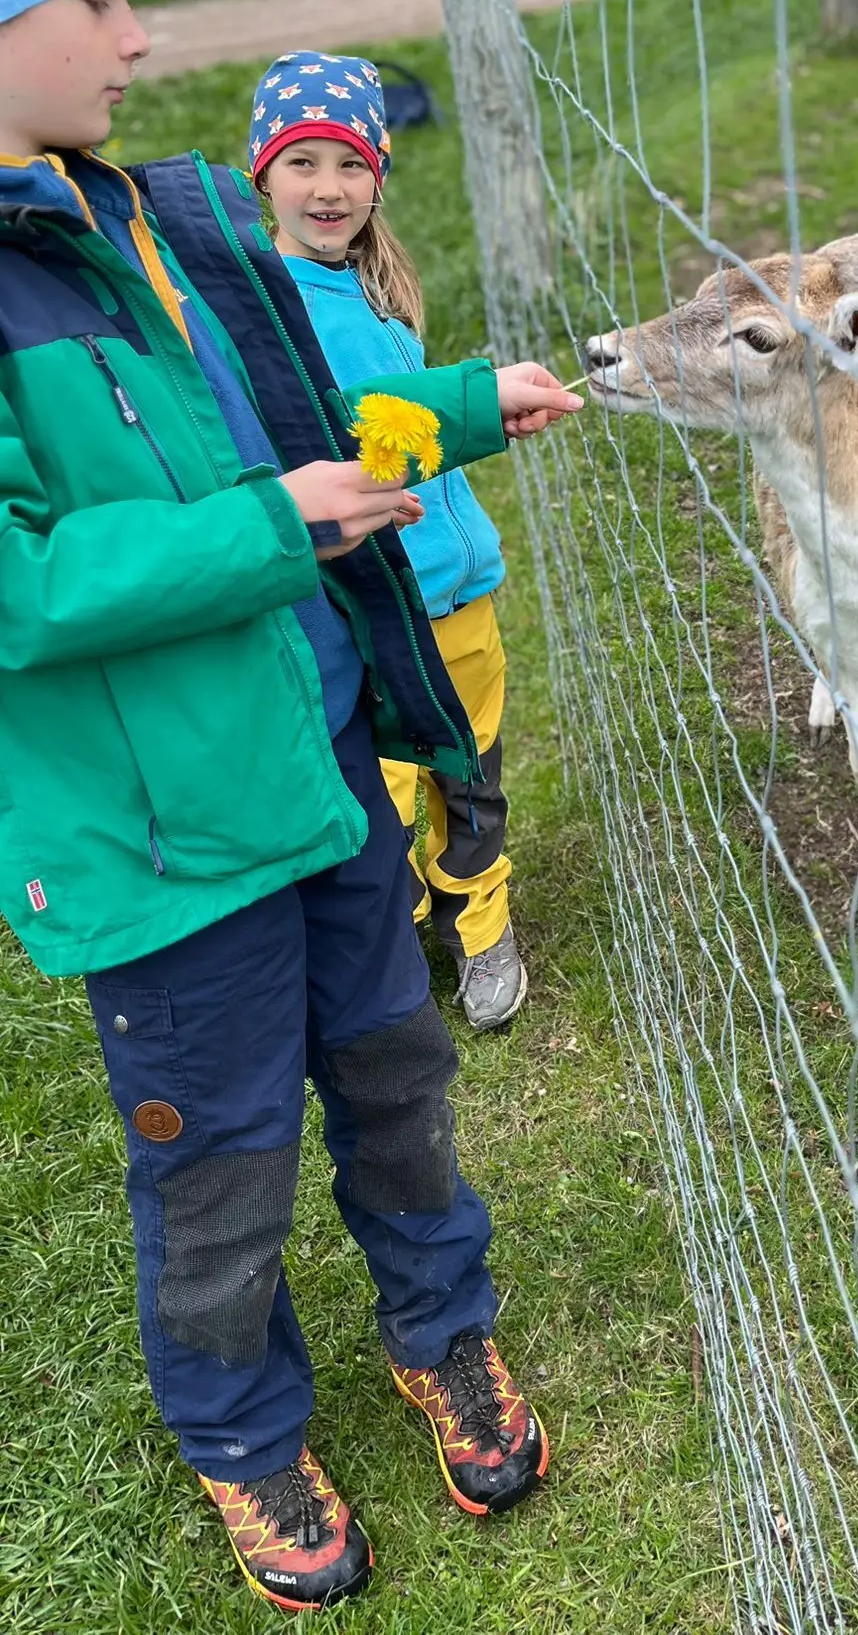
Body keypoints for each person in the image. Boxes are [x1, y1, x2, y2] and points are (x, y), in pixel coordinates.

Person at [0, 0, 583, 1613]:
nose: (136, 34)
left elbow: (286, 417)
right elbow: (26, 580)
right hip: (169, 846)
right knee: (223, 1152)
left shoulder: (143, 215)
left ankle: (442, 1326)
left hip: (319, 759)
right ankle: (242, 1425)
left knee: (398, 1075)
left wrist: (462, 405)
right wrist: (273, 527)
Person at [248, 52, 524, 1031]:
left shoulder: (379, 288)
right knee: (388, 788)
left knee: (472, 772)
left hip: (463, 595)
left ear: (380, 173)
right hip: (371, 603)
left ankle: (480, 917)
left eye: (351, 164)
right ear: (262, 176)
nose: (329, 188)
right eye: (302, 162)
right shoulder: (265, 313)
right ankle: (398, 932)